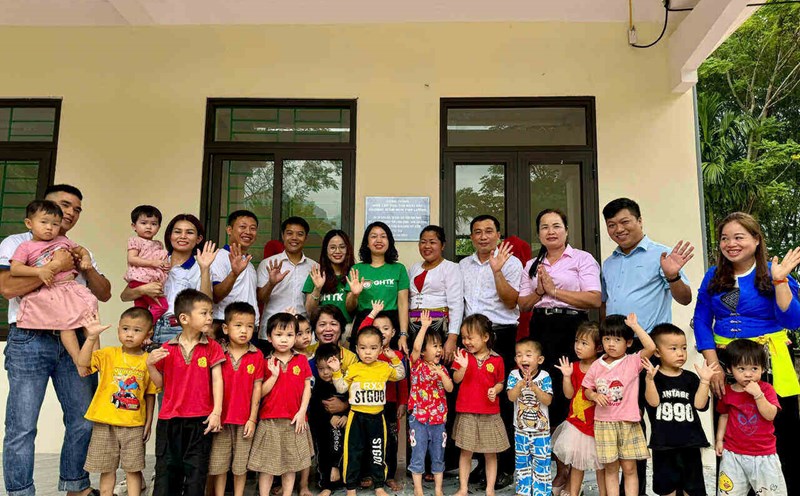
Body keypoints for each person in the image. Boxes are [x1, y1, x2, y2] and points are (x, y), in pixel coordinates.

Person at [1, 184, 111, 496]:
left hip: (72, 338)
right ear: (43, 207)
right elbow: (7, 288)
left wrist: (83, 266)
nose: (70, 213)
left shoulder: (75, 246)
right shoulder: (17, 243)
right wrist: (53, 268)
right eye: (65, 205)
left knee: (83, 419)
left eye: (77, 209)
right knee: (22, 426)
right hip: (29, 340)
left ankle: (76, 486)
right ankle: (21, 492)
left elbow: (103, 292)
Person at [692, 211, 800, 493]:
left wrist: (780, 282)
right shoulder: (714, 275)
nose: (731, 244)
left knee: (777, 430)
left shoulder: (773, 272)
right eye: (725, 238)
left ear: (756, 239)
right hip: (726, 363)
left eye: (739, 237)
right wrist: (713, 364)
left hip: (767, 362)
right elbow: (702, 319)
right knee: (731, 428)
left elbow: (793, 321)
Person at [601, 198, 694, 495]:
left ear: (640, 221)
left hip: (653, 353)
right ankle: (635, 489)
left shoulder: (661, 255)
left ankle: (672, 487)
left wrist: (673, 275)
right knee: (629, 424)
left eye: (625, 222)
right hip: (620, 354)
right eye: (612, 225)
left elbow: (684, 298)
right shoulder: (610, 262)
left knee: (662, 422)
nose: (619, 229)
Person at [516, 209, 601, 491]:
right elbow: (523, 305)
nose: (550, 231)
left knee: (570, 394)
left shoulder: (582, 259)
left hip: (572, 328)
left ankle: (568, 468)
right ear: (538, 233)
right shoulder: (531, 264)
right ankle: (551, 465)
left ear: (566, 229)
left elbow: (594, 298)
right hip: (541, 328)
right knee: (545, 393)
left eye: (556, 226)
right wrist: (541, 293)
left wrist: (554, 291)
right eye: (544, 227)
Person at [458, 214, 522, 488]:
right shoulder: (463, 265)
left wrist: (497, 270)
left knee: (501, 402)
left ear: (498, 235)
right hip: (472, 338)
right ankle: (483, 465)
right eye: (477, 232)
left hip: (501, 335)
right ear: (471, 237)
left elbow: (510, 303)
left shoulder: (511, 262)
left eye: (488, 231)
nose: (483, 236)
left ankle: (505, 465)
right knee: (475, 401)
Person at [146, 289, 225, 496]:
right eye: (204, 313)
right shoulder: (166, 348)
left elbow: (217, 380)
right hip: (169, 419)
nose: (210, 317)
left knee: (196, 471)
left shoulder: (212, 347)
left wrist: (216, 411)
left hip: (201, 420)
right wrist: (150, 366)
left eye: (210, 313)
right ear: (184, 318)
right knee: (167, 470)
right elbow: (160, 384)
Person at [10, 200, 98, 372]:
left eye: (55, 224)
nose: (50, 228)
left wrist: (86, 258)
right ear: (29, 223)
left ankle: (96, 358)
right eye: (44, 222)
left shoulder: (63, 240)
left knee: (91, 315)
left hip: (70, 287)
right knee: (66, 325)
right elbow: (15, 268)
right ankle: (78, 360)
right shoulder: (25, 246)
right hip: (51, 291)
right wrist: (39, 272)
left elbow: (81, 250)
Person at [77, 308, 158, 496]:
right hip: (105, 423)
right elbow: (83, 362)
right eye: (125, 329)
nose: (130, 334)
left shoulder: (148, 361)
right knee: (107, 468)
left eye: (137, 330)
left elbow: (150, 394)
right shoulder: (108, 354)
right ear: (119, 329)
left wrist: (148, 422)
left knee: (133, 468)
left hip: (133, 425)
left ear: (149, 333)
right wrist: (91, 338)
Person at [327, 325, 406, 496]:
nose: (367, 352)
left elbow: (400, 375)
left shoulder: (384, 367)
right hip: (356, 417)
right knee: (353, 452)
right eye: (363, 348)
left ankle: (378, 486)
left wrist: (394, 359)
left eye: (373, 348)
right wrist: (335, 372)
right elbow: (341, 388)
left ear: (380, 349)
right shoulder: (354, 368)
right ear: (356, 349)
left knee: (378, 452)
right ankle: (351, 488)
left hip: (377, 418)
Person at [582, 314, 655, 496]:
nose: (611, 344)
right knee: (611, 469)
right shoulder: (596, 366)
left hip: (628, 422)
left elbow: (651, 347)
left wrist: (635, 326)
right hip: (604, 424)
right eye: (607, 339)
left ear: (628, 342)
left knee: (630, 468)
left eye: (617, 339)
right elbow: (586, 389)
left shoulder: (632, 361)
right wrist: (594, 395)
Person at [641, 324, 717, 496]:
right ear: (658, 352)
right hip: (664, 445)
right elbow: (653, 403)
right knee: (667, 488)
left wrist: (704, 381)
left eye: (683, 348)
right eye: (673, 348)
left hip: (690, 443)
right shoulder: (654, 378)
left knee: (693, 487)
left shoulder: (690, 378)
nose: (681, 353)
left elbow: (700, 405)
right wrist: (650, 380)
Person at [121, 213, 217, 348]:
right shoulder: (156, 260)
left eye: (189, 233)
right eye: (177, 232)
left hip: (181, 329)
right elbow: (124, 296)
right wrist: (143, 289)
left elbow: (206, 302)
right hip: (148, 329)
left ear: (198, 239)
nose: (182, 236)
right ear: (170, 236)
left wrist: (205, 268)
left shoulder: (200, 265)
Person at [248, 313, 313, 496]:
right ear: (269, 337)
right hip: (270, 420)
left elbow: (307, 387)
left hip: (294, 420)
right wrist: (274, 375)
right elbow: (259, 393)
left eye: (290, 335)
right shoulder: (264, 361)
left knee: (290, 465)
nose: (284, 340)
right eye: (279, 335)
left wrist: (302, 412)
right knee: (267, 466)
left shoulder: (301, 360)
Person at [715, 339, 786, 496]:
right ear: (729, 369)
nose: (748, 374)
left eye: (754, 368)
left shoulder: (766, 389)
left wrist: (758, 395)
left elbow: (770, 415)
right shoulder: (728, 392)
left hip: (764, 455)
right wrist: (720, 440)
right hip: (733, 454)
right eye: (741, 368)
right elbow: (724, 416)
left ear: (762, 369)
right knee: (729, 493)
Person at [208, 302, 264, 496]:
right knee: (219, 465)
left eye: (249, 326)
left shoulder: (257, 355)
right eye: (238, 325)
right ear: (225, 328)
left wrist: (252, 418)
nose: (244, 331)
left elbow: (257, 389)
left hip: (244, 420)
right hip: (220, 419)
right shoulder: (216, 352)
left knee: (240, 465)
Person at [451, 314, 510, 496]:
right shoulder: (461, 355)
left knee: (491, 453)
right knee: (465, 452)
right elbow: (456, 379)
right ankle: (462, 488)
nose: (466, 341)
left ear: (485, 337)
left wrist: (496, 389)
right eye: (463, 337)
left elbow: (501, 382)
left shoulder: (497, 359)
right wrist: (462, 366)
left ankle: (490, 489)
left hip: (489, 413)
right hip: (467, 411)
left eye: (470, 337)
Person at [357, 301, 409, 491]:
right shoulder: (369, 352)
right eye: (376, 328)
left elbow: (402, 381)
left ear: (394, 332)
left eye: (385, 328)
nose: (381, 331)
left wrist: (402, 402)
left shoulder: (396, 355)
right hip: (368, 402)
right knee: (369, 439)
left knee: (390, 441)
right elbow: (361, 331)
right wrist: (373, 313)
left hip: (390, 403)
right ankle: (369, 473)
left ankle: (389, 475)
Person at [552, 322, 606, 496]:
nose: (578, 347)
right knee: (577, 463)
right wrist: (567, 377)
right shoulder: (574, 367)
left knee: (601, 467)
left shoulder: (602, 368)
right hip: (577, 424)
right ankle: (573, 492)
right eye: (577, 341)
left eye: (584, 343)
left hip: (597, 425)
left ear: (598, 348)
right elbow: (569, 395)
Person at [408, 310, 453, 496]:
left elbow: (449, 389)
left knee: (438, 456)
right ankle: (418, 490)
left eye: (440, 346)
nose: (439, 350)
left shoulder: (442, 368)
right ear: (425, 351)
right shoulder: (417, 365)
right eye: (434, 346)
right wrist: (424, 326)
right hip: (418, 418)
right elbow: (416, 349)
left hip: (438, 420)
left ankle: (438, 490)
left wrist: (442, 375)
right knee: (418, 454)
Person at [346, 221, 409, 345]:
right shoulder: (357, 269)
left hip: (390, 324)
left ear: (389, 242)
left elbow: (403, 304)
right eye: (374, 236)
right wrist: (354, 294)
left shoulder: (399, 269)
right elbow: (349, 307)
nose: (379, 240)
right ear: (367, 243)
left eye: (383, 236)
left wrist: (403, 334)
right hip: (365, 322)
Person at [406, 225, 463, 361]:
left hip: (438, 326)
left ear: (442, 245)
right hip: (414, 326)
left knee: (437, 368)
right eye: (423, 242)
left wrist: (452, 337)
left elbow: (456, 304)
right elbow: (408, 299)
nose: (427, 246)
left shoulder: (451, 268)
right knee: (415, 366)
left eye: (432, 242)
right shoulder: (414, 268)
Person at [506, 338, 553, 496]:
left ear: (539, 360)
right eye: (519, 355)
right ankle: (523, 491)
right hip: (521, 430)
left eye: (528, 355)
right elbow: (511, 397)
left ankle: (542, 492)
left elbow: (548, 400)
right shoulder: (513, 375)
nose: (523, 359)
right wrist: (519, 385)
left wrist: (534, 388)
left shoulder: (544, 376)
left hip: (541, 431)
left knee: (542, 462)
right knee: (521, 462)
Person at [258, 217, 317, 333]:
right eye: (289, 233)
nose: (294, 238)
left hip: (302, 332)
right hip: (272, 332)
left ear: (306, 238)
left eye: (300, 234)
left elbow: (314, 306)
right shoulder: (268, 264)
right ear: (283, 235)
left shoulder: (314, 267)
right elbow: (260, 299)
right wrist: (271, 283)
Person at [310, 343, 349, 496]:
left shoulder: (345, 383)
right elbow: (315, 408)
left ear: (338, 363)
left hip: (343, 426)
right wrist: (329, 417)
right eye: (321, 369)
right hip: (324, 429)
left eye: (329, 367)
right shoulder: (318, 386)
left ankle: (343, 478)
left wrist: (346, 415)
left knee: (345, 449)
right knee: (323, 452)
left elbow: (354, 402)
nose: (326, 372)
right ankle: (326, 484)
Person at [211, 210, 260, 331]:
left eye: (252, 228)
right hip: (226, 326)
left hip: (250, 326)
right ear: (229, 230)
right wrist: (234, 273)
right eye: (242, 227)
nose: (248, 232)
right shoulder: (219, 257)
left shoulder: (249, 264)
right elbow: (216, 295)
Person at [125, 205, 170, 321]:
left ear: (159, 227)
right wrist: (153, 263)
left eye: (154, 224)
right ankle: (146, 326)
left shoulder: (158, 244)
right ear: (134, 226)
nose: (149, 227)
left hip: (151, 280)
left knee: (140, 309)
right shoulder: (135, 240)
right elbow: (132, 258)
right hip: (140, 280)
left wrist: (163, 265)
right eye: (144, 223)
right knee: (161, 307)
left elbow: (160, 261)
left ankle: (142, 334)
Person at [304, 229, 356, 323]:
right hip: (321, 330)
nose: (337, 251)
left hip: (347, 330)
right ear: (325, 250)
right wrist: (317, 288)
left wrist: (354, 294)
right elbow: (310, 312)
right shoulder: (316, 274)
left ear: (348, 249)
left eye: (342, 247)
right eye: (332, 247)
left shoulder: (354, 274)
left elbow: (354, 310)